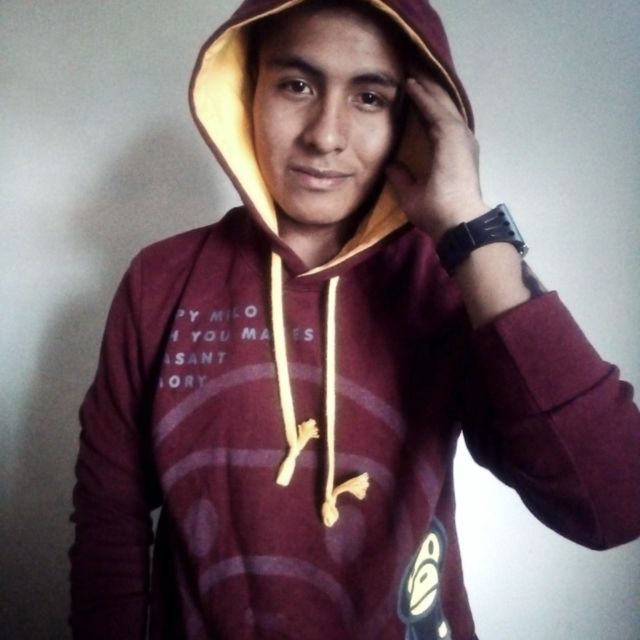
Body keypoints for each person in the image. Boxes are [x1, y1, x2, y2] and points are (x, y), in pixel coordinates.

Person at [69, 1, 640, 638]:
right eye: (297, 85)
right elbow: (108, 520)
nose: (325, 135)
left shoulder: (451, 283)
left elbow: (614, 504)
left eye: (370, 98)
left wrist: (470, 228)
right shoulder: (161, 279)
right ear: (248, 92)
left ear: (414, 122)